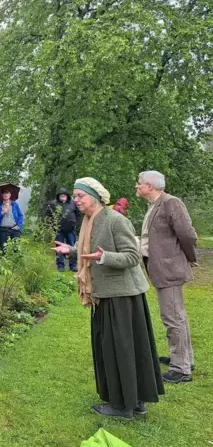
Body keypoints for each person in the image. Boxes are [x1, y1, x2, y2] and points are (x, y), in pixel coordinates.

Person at [53, 178, 163, 420]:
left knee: (121, 351)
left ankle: (123, 407)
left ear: (95, 196)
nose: (77, 200)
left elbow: (132, 257)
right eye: (75, 196)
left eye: (81, 195)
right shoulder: (90, 221)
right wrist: (70, 251)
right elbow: (89, 250)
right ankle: (135, 402)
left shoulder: (115, 220)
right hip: (106, 295)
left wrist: (104, 258)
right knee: (124, 350)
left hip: (121, 297)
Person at [136, 170, 198, 384]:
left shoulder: (171, 203)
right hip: (162, 269)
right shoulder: (154, 206)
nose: (137, 186)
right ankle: (184, 359)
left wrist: (189, 257)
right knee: (177, 316)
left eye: (140, 183)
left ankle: (180, 369)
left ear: (150, 186)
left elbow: (188, 234)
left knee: (172, 318)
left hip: (169, 270)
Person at [47, 188, 80, 272]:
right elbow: (48, 215)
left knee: (72, 247)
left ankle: (73, 265)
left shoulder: (73, 203)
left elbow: (78, 214)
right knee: (59, 248)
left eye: (64, 194)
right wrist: (53, 226)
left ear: (67, 195)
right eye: (61, 194)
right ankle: (60, 266)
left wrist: (75, 224)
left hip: (71, 229)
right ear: (58, 195)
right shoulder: (53, 203)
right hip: (59, 230)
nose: (63, 195)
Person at [0, 188, 24, 256]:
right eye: (4, 193)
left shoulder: (14, 204)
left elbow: (20, 216)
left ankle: (16, 265)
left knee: (16, 248)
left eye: (7, 193)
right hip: (3, 230)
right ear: (2, 195)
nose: (6, 194)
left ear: (10, 194)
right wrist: (2, 212)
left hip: (14, 229)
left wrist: (18, 226)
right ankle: (3, 264)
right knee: (3, 249)